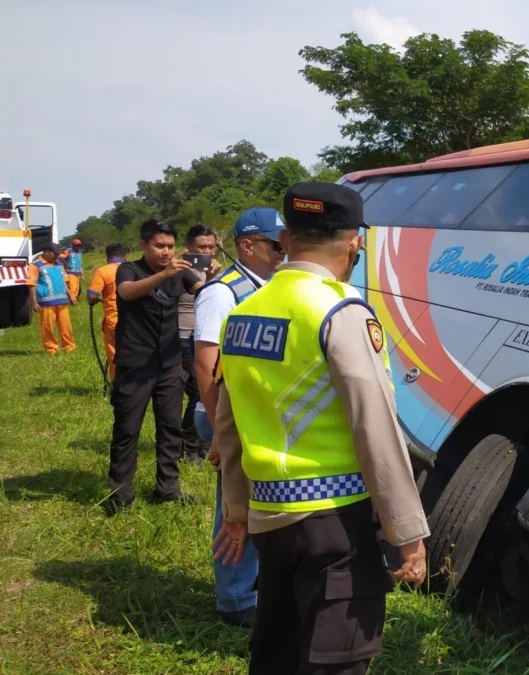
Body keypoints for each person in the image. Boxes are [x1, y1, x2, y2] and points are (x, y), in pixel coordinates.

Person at [212, 183, 429, 674]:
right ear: (354, 241)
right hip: (335, 522)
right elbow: (375, 426)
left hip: (270, 516)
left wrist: (237, 510)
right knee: (337, 661)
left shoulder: (245, 312)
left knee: (278, 650)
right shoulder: (339, 311)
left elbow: (230, 425)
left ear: (285, 237)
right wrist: (407, 531)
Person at [192, 207, 284, 627]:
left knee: (255, 502)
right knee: (233, 507)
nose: (286, 251)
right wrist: (217, 431)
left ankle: (253, 585)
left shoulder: (269, 287)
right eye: (277, 244)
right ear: (247, 245)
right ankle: (234, 601)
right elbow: (204, 363)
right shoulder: (223, 292)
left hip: (255, 417)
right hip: (227, 418)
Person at [102, 218, 218, 516]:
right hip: (135, 364)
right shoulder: (129, 270)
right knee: (127, 430)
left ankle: (168, 488)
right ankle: (120, 496)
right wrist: (165, 274)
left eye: (170, 246)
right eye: (159, 246)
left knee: (170, 428)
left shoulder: (179, 273)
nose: (166, 252)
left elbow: (202, 291)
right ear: (143, 245)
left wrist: (213, 277)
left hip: (169, 364)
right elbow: (127, 292)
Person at [179, 225, 221, 464]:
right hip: (182, 335)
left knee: (202, 391)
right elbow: (203, 293)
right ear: (189, 248)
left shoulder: (211, 269)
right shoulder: (180, 268)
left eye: (211, 247)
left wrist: (215, 276)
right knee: (197, 393)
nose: (207, 251)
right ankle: (191, 447)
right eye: (201, 247)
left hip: (204, 336)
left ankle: (199, 444)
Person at [26, 243, 76, 354]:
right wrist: (34, 302)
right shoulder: (35, 266)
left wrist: (70, 295)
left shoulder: (59, 264)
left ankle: (69, 348)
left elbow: (64, 281)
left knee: (66, 327)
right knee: (47, 328)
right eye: (55, 254)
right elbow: (31, 284)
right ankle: (51, 350)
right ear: (46, 252)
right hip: (46, 302)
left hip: (62, 302)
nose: (57, 256)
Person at [87, 243, 127, 381]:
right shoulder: (133, 269)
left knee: (115, 354)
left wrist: (93, 301)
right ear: (125, 257)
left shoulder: (103, 271)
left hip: (114, 320)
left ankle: (118, 385)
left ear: (108, 257)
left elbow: (92, 296)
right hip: (136, 320)